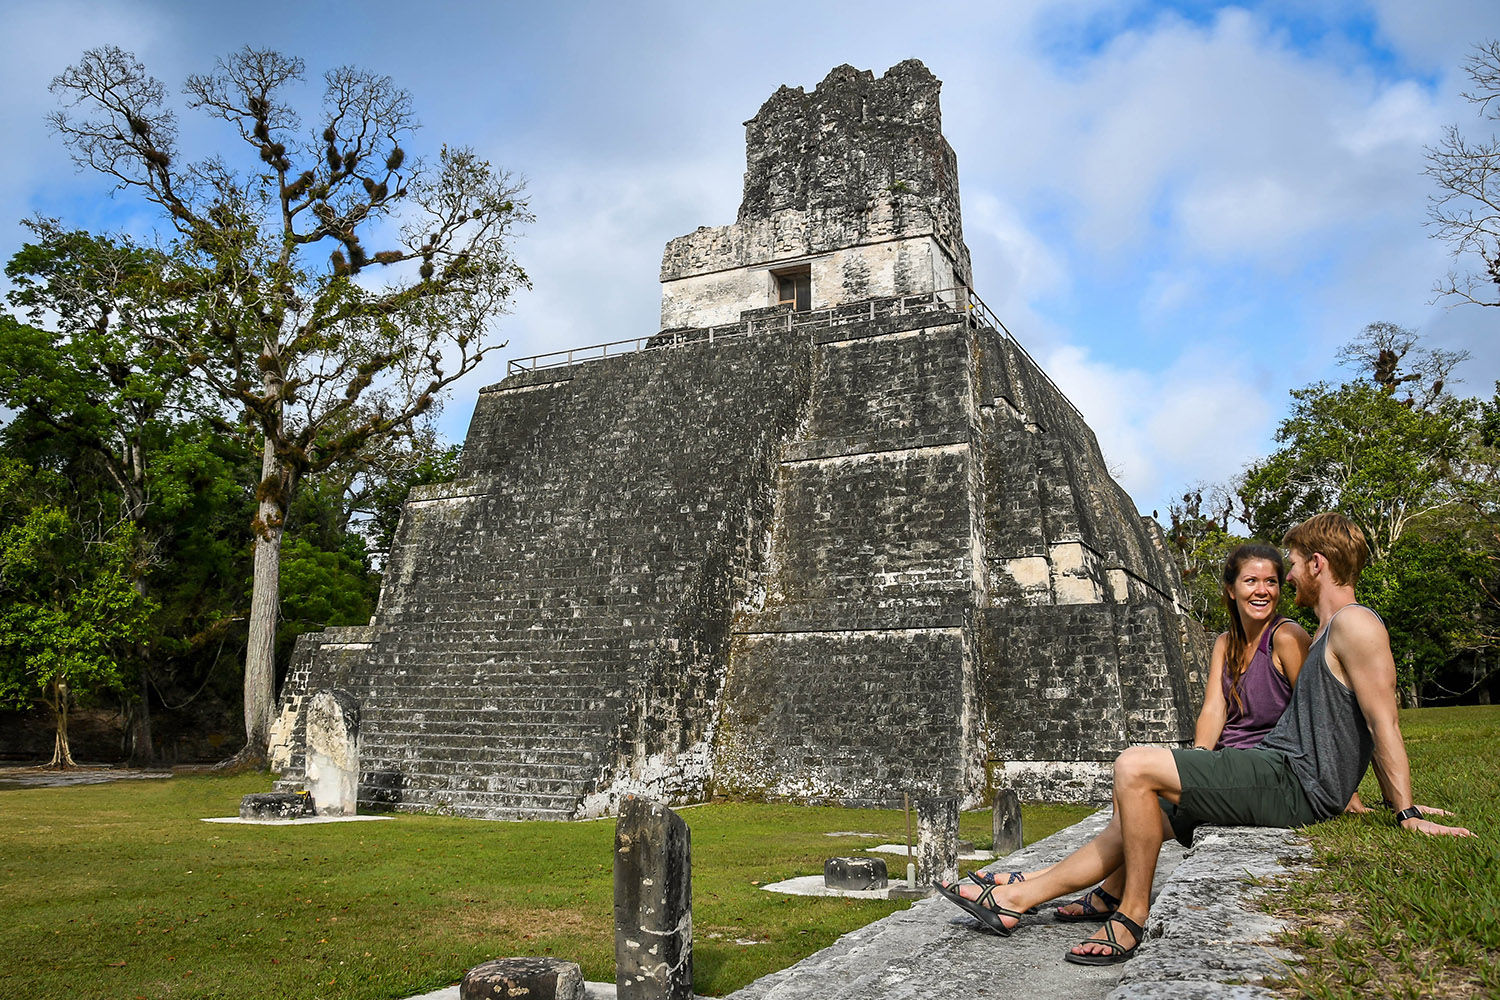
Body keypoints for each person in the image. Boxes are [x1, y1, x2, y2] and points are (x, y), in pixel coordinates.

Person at [937, 512, 1473, 966]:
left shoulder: (1355, 624)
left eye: (1290, 565)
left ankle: (1131, 917)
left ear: (1318, 565)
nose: (1285, 577)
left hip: (1293, 783)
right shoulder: (1331, 630)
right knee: (1142, 812)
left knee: (1134, 766)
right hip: (1275, 769)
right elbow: (1351, 724)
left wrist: (1404, 813)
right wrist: (1388, 799)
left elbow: (1385, 722)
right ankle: (1021, 895)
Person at [972, 544, 1310, 923]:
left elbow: (1314, 715)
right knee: (1130, 809)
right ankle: (1081, 892)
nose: (1262, 590)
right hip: (1227, 765)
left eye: (1271, 582)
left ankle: (1023, 892)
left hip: (1259, 770)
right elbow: (1214, 708)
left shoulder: (1287, 637)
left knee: (1134, 773)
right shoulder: (1226, 642)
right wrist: (1197, 755)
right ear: (1231, 589)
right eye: (1251, 581)